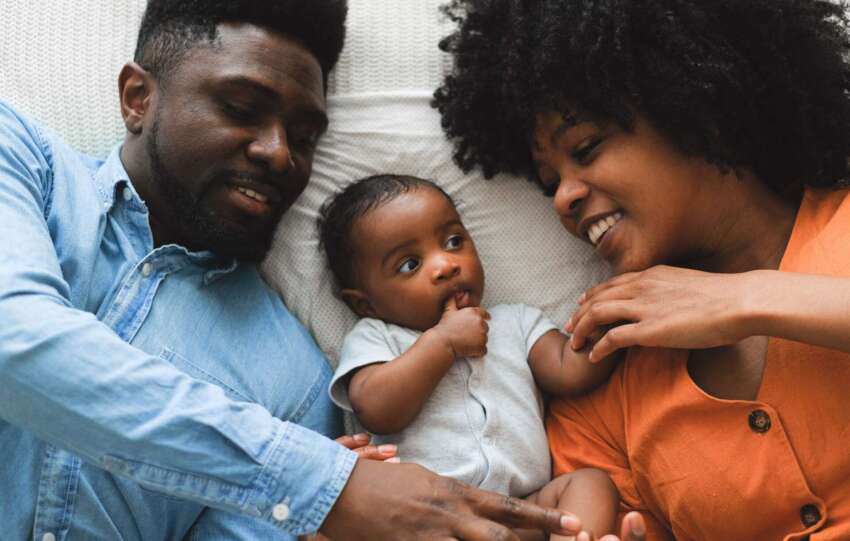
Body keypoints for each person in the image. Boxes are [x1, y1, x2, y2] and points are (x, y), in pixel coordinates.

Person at [0, 1, 583, 540]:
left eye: (305, 138)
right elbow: (16, 338)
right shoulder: (22, 160)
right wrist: (321, 484)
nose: (280, 154)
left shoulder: (299, 383)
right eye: (241, 109)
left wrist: (317, 525)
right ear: (137, 97)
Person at [433, 0, 850, 540]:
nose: (562, 198)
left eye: (585, 148)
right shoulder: (603, 389)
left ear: (693, 106)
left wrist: (743, 301)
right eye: (548, 181)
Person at [319, 174, 620, 541]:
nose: (445, 264)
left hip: (520, 510)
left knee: (591, 486)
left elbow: (569, 371)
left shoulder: (516, 322)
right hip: (424, 523)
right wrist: (443, 343)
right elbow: (377, 408)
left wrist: (604, 324)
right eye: (409, 265)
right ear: (365, 303)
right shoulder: (377, 339)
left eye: (453, 241)